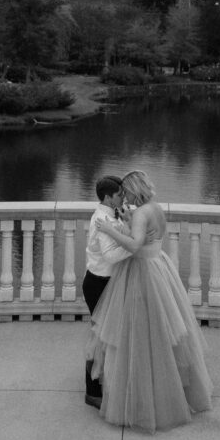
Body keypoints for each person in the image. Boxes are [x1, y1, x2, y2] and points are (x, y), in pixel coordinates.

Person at [90, 170, 213, 433]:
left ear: (135, 190)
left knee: (139, 336)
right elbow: (148, 236)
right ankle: (171, 386)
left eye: (127, 191)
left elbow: (134, 246)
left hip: (142, 272)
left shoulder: (142, 212)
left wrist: (110, 229)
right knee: (165, 333)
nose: (125, 196)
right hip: (159, 265)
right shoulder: (154, 208)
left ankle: (143, 395)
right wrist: (127, 220)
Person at [82, 175, 131, 408]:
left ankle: (102, 383)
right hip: (98, 284)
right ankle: (92, 392)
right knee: (99, 338)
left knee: (107, 337)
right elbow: (111, 256)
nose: (124, 196)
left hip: (105, 282)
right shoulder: (102, 220)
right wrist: (136, 249)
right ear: (107, 197)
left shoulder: (111, 215)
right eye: (120, 194)